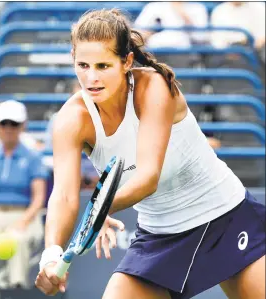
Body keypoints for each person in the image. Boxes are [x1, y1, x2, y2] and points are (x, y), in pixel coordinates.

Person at [35, 9, 265, 299]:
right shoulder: (71, 120)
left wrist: (101, 208)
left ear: (126, 61)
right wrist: (51, 255)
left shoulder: (153, 86)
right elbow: (64, 196)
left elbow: (147, 177)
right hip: (159, 236)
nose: (91, 77)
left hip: (225, 215)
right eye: (83, 65)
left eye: (103, 66)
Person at [0, 100, 49, 288]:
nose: (8, 128)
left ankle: (16, 288)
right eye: (4, 123)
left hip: (25, 214)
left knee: (17, 240)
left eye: (14, 123)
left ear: (23, 126)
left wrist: (23, 221)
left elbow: (38, 198)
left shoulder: (33, 157)